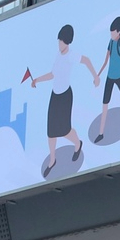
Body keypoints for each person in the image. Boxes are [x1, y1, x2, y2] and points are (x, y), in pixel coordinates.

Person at [29, 23, 84, 171]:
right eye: (59, 41)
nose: (59, 44)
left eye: (62, 41)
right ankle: (52, 159)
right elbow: (53, 74)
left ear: (68, 42)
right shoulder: (58, 55)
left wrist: (95, 76)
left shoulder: (71, 55)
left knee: (64, 129)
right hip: (55, 94)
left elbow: (86, 61)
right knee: (51, 130)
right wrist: (37, 80)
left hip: (65, 95)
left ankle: (78, 143)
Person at [82, 17, 120, 116]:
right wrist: (97, 75)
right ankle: (102, 130)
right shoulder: (111, 42)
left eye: (113, 33)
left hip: (119, 74)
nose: (111, 35)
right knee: (105, 101)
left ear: (118, 32)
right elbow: (105, 61)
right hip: (110, 75)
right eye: (110, 33)